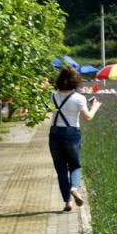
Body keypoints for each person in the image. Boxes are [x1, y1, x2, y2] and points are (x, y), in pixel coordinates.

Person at [49, 67, 102, 212]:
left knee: (60, 169)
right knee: (75, 165)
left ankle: (67, 202)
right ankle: (74, 188)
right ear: (76, 82)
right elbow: (88, 117)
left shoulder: (52, 96)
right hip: (71, 133)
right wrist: (95, 107)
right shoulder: (79, 98)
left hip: (54, 134)